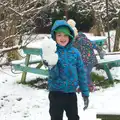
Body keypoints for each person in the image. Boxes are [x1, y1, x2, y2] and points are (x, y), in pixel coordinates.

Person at [43, 20, 89, 120]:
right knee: (56, 117)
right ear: (54, 36)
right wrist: (51, 65)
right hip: (56, 93)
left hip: (71, 94)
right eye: (59, 35)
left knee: (74, 117)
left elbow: (81, 73)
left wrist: (85, 93)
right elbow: (53, 76)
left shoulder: (75, 53)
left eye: (65, 35)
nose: (62, 38)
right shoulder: (52, 52)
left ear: (70, 36)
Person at [67, 19, 104, 92]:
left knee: (85, 73)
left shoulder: (83, 40)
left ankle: (90, 86)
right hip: (82, 61)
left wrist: (100, 51)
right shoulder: (73, 43)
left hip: (90, 60)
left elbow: (93, 45)